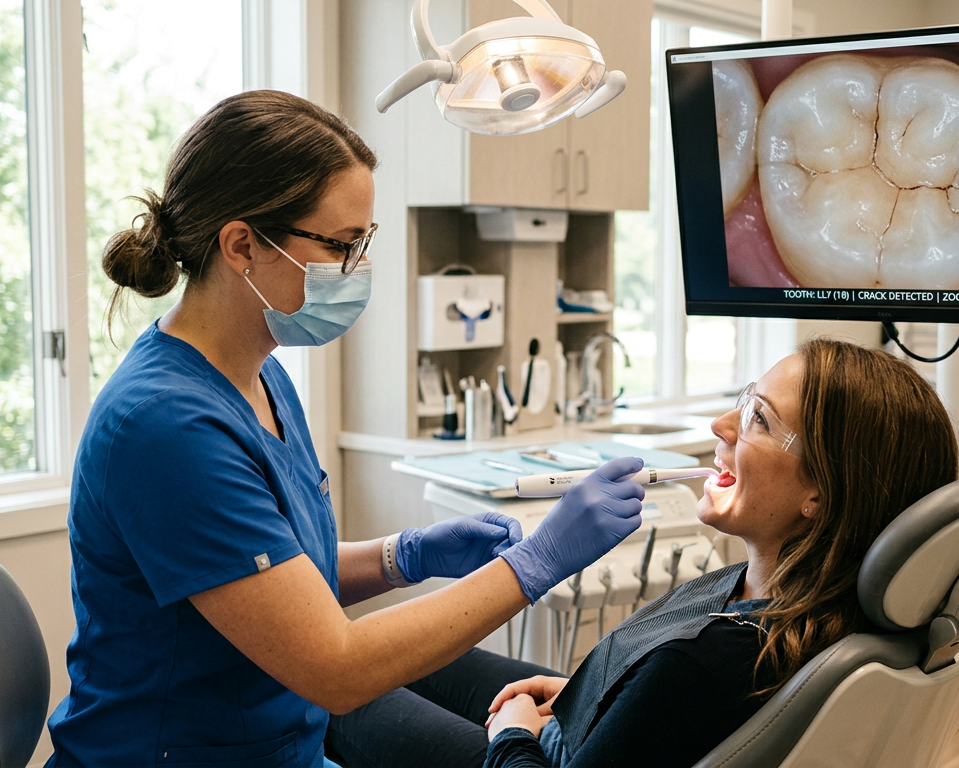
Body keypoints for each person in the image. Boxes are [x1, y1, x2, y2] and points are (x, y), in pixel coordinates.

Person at [45, 90, 647, 767]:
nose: (357, 268)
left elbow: (273, 579)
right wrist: (535, 565)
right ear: (242, 244)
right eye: (341, 245)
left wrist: (404, 556)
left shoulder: (260, 377)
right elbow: (335, 668)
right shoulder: (165, 427)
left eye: (364, 242)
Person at [325, 338, 959, 768]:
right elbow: (656, 717)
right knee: (400, 653)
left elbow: (672, 690)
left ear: (821, 495)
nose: (723, 426)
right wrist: (590, 693)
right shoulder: (789, 603)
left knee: (333, 692)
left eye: (759, 420)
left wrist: (514, 733)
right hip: (577, 729)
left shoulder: (707, 661)